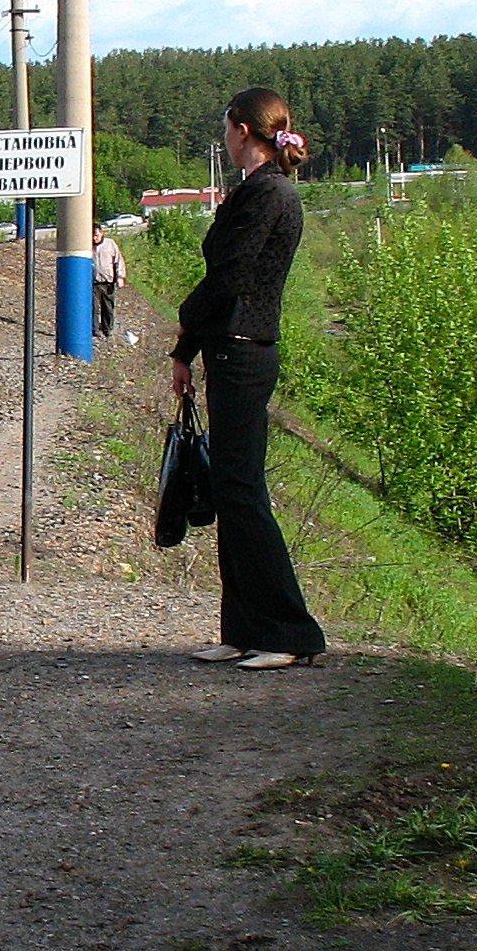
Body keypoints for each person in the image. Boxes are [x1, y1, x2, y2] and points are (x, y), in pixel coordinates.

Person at [168, 89, 326, 671]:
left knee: (242, 491)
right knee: (233, 494)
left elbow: (229, 276)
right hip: (229, 347)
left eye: (227, 129)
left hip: (244, 352)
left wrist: (186, 321)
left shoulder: (269, 195)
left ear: (242, 131)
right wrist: (187, 349)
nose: (225, 138)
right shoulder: (257, 191)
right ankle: (242, 629)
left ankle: (290, 633)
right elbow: (226, 281)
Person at [91, 221, 127, 339]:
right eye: (92, 235)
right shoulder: (87, 246)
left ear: (101, 233)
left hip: (108, 282)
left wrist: (120, 277)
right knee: (94, 307)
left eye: (96, 235)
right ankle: (95, 330)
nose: (94, 238)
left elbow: (118, 261)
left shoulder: (110, 244)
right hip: (93, 283)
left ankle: (108, 329)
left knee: (108, 307)